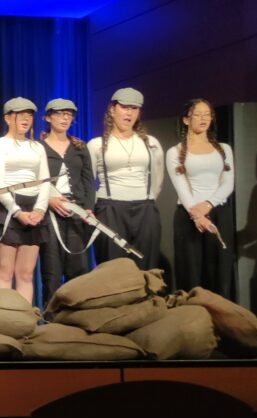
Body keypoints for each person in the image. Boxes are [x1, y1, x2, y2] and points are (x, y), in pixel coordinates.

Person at [87, 88, 165, 270]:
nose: (129, 113)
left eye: (134, 108)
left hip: (145, 208)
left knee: (145, 266)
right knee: (111, 267)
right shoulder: (97, 144)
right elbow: (88, 182)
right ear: (112, 109)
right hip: (110, 208)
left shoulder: (150, 143)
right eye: (124, 107)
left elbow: (158, 179)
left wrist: (147, 200)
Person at [166, 98, 236, 299]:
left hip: (218, 213)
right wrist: (197, 215)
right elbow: (181, 187)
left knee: (219, 272)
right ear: (186, 119)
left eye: (207, 114)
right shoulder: (175, 152)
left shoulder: (223, 149)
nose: (203, 118)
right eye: (197, 114)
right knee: (191, 273)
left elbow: (228, 183)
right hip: (189, 216)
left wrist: (209, 204)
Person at [0, 97, 50, 304]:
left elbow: (45, 181)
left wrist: (40, 210)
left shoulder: (37, 147)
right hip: (8, 208)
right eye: (20, 114)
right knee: (5, 271)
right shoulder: (0, 144)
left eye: (29, 115)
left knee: (25, 273)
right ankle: (5, 318)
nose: (26, 119)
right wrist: (16, 211)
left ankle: (25, 319)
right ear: (8, 118)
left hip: (33, 209)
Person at [38, 98, 93, 303]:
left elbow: (88, 181)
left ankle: (77, 314)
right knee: (52, 268)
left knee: (78, 267)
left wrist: (88, 208)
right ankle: (51, 315)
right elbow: (33, 180)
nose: (65, 118)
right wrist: (49, 200)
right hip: (50, 213)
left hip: (76, 212)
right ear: (48, 118)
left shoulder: (79, 147)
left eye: (69, 115)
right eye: (60, 114)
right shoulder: (38, 147)